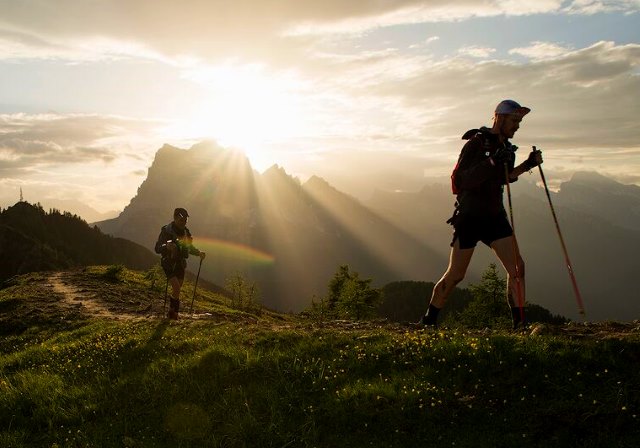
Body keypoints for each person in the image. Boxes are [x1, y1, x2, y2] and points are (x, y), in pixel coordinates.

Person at [420, 99, 543, 329]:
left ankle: (519, 324)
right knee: (456, 274)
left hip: (494, 215)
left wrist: (527, 165)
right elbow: (461, 180)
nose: (517, 126)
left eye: (519, 121)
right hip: (470, 217)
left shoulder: (506, 148)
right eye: (514, 120)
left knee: (517, 268)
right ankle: (429, 320)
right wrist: (493, 161)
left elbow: (502, 178)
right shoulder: (476, 143)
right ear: (499, 117)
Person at [155, 207, 206, 319]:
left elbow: (189, 247)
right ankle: (174, 314)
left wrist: (198, 253)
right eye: (181, 220)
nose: (183, 223)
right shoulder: (166, 231)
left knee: (177, 290)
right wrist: (166, 246)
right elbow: (157, 248)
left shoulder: (186, 232)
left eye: (185, 221)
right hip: (168, 262)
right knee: (177, 288)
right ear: (175, 218)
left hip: (180, 263)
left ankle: (171, 311)